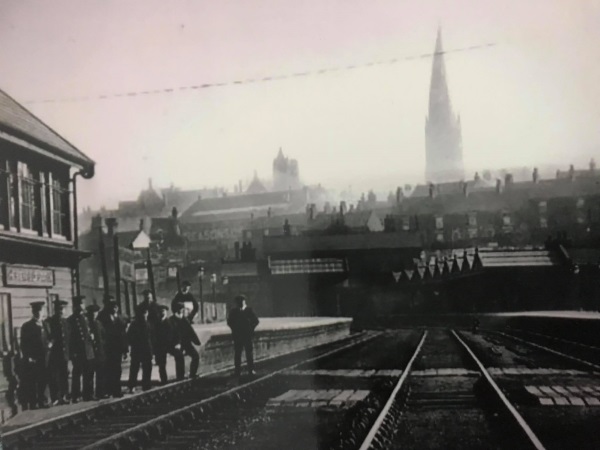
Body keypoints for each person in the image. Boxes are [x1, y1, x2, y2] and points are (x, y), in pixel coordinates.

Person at [20, 301, 51, 409]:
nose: (39, 313)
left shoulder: (46, 324)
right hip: (34, 358)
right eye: (36, 311)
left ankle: (42, 401)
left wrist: (50, 344)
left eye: (40, 311)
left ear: (43, 312)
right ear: (33, 312)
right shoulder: (27, 326)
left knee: (44, 379)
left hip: (45, 357)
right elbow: (24, 343)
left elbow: (51, 337)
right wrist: (27, 356)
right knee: (34, 381)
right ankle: (34, 403)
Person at [68, 296, 95, 402]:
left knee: (89, 374)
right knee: (77, 374)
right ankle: (76, 395)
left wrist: (91, 337)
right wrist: (72, 353)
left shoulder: (86, 318)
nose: (81, 306)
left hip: (88, 350)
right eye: (79, 304)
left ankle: (88, 394)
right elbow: (70, 338)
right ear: (75, 306)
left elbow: (89, 331)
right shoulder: (70, 320)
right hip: (78, 351)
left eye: (82, 304)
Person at [98, 299, 128, 398]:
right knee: (108, 369)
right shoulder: (103, 318)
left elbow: (123, 335)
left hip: (117, 348)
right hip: (108, 348)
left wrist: (125, 349)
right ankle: (107, 390)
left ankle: (116, 390)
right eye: (113, 307)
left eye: (116, 307)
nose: (115, 309)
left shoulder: (120, 318)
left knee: (117, 369)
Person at [227, 295, 259, 377]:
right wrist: (234, 329)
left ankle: (251, 370)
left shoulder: (249, 310)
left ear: (244, 302)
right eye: (239, 302)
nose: (240, 303)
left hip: (247, 335)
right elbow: (229, 322)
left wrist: (250, 328)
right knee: (238, 354)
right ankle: (237, 371)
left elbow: (256, 321)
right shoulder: (234, 311)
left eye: (242, 301)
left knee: (249, 353)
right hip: (238, 335)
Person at [46, 299, 71, 405]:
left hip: (64, 354)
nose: (61, 311)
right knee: (54, 376)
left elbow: (69, 338)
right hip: (54, 354)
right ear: (55, 310)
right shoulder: (50, 322)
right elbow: (48, 337)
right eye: (58, 309)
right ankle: (55, 397)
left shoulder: (66, 322)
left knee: (64, 375)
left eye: (62, 309)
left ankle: (64, 396)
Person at [127, 303, 155, 392]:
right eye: (143, 313)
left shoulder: (149, 324)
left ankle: (146, 385)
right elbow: (129, 337)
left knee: (147, 368)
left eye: (146, 313)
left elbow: (153, 338)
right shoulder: (135, 324)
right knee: (135, 368)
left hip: (146, 350)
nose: (144, 315)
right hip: (137, 350)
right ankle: (132, 386)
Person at [154, 305, 183, 384]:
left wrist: (178, 343)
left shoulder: (171, 322)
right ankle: (164, 380)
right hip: (161, 346)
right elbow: (153, 336)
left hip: (171, 345)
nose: (162, 313)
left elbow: (177, 333)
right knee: (161, 364)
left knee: (179, 356)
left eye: (163, 311)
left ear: (166, 312)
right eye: (160, 311)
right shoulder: (156, 324)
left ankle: (180, 377)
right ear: (158, 313)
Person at [172, 302, 201, 378]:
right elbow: (170, 333)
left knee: (196, 356)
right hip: (176, 344)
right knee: (179, 358)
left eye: (182, 309)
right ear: (176, 310)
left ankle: (192, 374)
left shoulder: (184, 319)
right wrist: (175, 344)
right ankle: (180, 377)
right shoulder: (172, 320)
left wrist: (196, 341)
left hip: (186, 343)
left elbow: (190, 331)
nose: (181, 310)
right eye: (180, 309)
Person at [86, 304, 107, 398]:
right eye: (92, 313)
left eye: (95, 313)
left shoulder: (99, 323)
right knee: (89, 374)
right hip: (91, 352)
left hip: (100, 352)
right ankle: (89, 394)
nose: (94, 315)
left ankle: (100, 392)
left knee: (101, 373)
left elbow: (104, 336)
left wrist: (102, 345)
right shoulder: (86, 324)